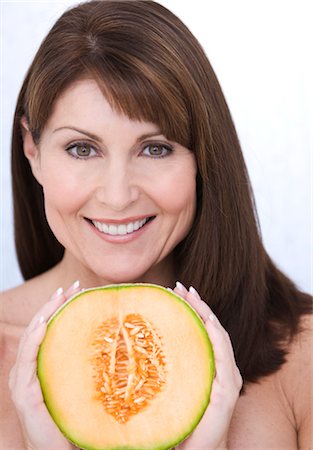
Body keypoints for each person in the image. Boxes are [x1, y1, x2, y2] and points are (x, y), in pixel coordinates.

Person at [0, 1, 311, 449]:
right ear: (32, 148)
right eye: (82, 149)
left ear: (202, 158)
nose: (118, 194)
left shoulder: (304, 358)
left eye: (156, 149)